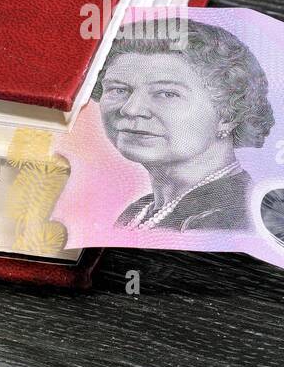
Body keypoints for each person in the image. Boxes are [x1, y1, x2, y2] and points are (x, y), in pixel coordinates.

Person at [95, 16, 274, 231]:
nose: (131, 109)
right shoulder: (138, 211)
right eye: (118, 90)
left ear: (228, 113)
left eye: (167, 93)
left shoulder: (232, 218)